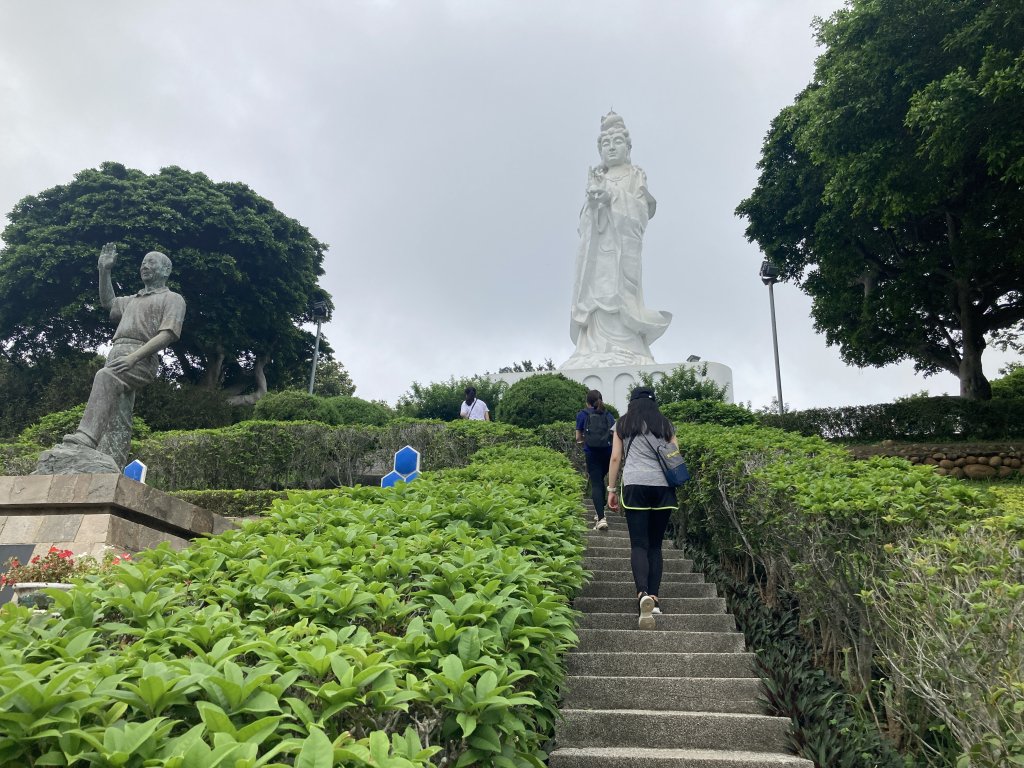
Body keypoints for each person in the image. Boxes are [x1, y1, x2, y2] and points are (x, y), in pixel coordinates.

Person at [562, 112, 672, 369]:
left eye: (616, 142)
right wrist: (594, 203)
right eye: (605, 144)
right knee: (596, 295)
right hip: (597, 249)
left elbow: (641, 214)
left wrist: (611, 195)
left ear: (628, 147)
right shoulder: (598, 176)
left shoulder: (635, 176)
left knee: (618, 293)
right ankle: (592, 348)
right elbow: (583, 222)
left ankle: (626, 346)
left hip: (623, 250)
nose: (611, 148)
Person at [63, 243, 186, 453]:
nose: (145, 266)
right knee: (117, 415)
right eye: (143, 263)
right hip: (116, 354)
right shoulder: (132, 300)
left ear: (166, 270)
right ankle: (109, 464)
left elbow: (167, 334)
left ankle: (86, 436)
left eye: (151, 262)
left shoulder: (172, 298)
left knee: (105, 377)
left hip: (141, 357)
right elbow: (109, 302)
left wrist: (133, 358)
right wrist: (104, 270)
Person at [606, 386, 678, 629]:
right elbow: (675, 455)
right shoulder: (665, 424)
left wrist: (612, 489)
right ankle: (655, 600)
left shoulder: (623, 424)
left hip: (635, 484)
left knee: (639, 543)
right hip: (662, 487)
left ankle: (642, 594)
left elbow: (616, 457)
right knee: (655, 545)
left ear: (632, 402)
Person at [575, 389, 615, 530]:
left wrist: (585, 441)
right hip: (607, 453)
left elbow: (578, 438)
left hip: (592, 453)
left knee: (596, 483)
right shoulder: (609, 415)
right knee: (601, 481)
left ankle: (601, 518)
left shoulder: (582, 414)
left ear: (587, 402)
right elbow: (613, 435)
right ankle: (600, 512)